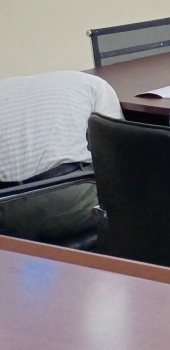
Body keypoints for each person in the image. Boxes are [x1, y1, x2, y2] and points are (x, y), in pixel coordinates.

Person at [0, 71, 122, 243]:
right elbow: (115, 151)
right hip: (64, 199)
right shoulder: (96, 85)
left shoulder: (5, 88)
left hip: (4, 207)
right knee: (130, 190)